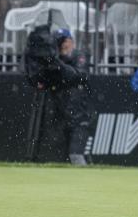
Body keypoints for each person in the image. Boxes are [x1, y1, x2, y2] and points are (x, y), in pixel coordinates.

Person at [27, 28, 93, 165]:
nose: (63, 44)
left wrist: (58, 65)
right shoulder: (54, 63)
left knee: (76, 155)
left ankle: (87, 183)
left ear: (72, 41)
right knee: (61, 158)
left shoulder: (78, 56)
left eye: (65, 40)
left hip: (80, 118)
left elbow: (79, 76)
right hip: (61, 118)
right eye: (59, 41)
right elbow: (40, 82)